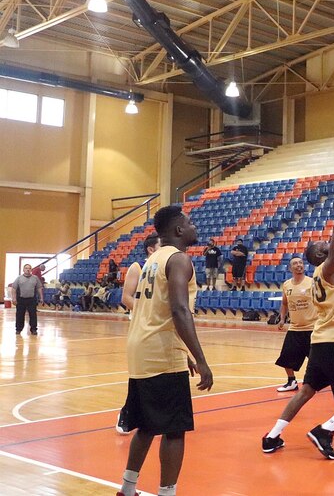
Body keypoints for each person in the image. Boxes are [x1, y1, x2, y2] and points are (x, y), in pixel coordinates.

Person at [261, 190, 334, 460]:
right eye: (325, 249)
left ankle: (272, 436)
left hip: (321, 339)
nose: (329, 248)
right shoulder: (328, 267)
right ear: (322, 256)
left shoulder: (322, 277)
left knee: (307, 391)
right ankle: (326, 430)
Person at [116, 205, 213, 496]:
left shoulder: (153, 259)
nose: (194, 227)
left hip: (142, 347)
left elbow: (157, 310)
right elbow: (180, 310)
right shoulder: (179, 259)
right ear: (178, 230)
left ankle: (127, 488)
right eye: (190, 223)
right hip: (160, 351)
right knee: (173, 430)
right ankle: (167, 493)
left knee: (146, 425)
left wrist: (182, 350)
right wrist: (201, 358)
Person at [117, 233, 161, 435]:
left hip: (161, 326)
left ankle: (157, 415)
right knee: (141, 373)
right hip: (142, 325)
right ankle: (126, 411)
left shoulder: (165, 267)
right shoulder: (137, 267)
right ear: (151, 249)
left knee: (160, 373)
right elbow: (126, 297)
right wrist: (145, 310)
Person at [275, 256, 318, 392]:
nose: (299, 265)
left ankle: (317, 383)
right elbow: (284, 303)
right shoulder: (287, 284)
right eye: (295, 263)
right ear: (290, 268)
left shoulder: (312, 282)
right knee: (286, 357)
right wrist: (282, 318)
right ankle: (291, 381)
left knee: (318, 360)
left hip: (313, 328)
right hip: (295, 328)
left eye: (300, 263)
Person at [11, 264, 44, 335]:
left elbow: (39, 288)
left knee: (33, 315)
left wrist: (41, 297)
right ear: (23, 270)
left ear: (31, 270)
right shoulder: (19, 278)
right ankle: (18, 329)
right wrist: (14, 298)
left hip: (31, 300)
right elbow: (14, 288)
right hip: (21, 300)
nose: (28, 270)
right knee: (19, 315)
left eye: (29, 268)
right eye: (26, 268)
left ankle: (34, 329)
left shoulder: (35, 278)